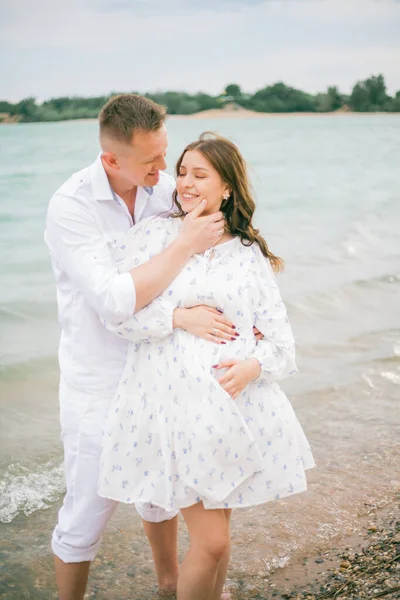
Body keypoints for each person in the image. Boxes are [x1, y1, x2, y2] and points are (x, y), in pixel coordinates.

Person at [98, 133, 315, 600]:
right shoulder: (153, 235)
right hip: (174, 408)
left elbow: (281, 343)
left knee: (219, 540)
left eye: (200, 175)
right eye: (181, 173)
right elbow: (117, 317)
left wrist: (253, 368)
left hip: (232, 412)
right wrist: (177, 317)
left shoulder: (247, 254)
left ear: (228, 188)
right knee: (212, 542)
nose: (186, 184)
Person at [45, 95, 238, 600]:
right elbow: (112, 301)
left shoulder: (167, 191)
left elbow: (216, 258)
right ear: (112, 160)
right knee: (85, 511)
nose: (164, 170)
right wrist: (181, 261)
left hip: (162, 370)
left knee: (162, 496)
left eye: (165, 154)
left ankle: (170, 585)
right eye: (151, 161)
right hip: (99, 379)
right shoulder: (71, 207)